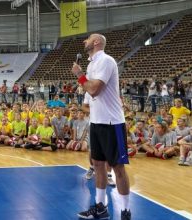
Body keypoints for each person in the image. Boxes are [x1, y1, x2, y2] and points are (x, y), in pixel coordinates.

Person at [72, 34, 131, 219]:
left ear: (96, 42)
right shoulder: (91, 65)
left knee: (118, 168)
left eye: (88, 38)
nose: (84, 41)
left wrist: (80, 76)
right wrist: (84, 78)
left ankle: (125, 211)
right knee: (97, 164)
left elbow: (94, 88)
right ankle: (100, 207)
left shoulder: (106, 60)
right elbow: (90, 96)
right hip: (96, 122)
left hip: (112, 123)